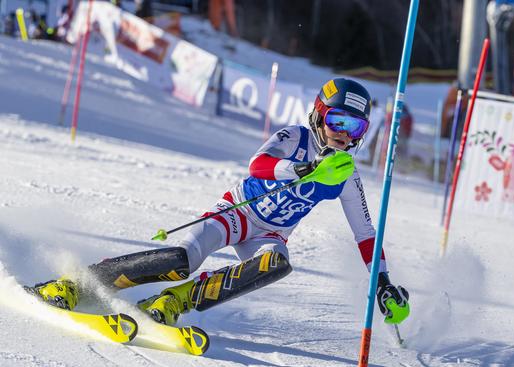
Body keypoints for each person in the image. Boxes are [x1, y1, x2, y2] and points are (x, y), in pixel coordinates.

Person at [26, 78, 410, 327]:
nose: (343, 135)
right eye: (337, 122)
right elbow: (257, 165)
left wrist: (383, 283)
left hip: (270, 234)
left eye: (354, 127)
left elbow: (365, 234)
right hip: (236, 214)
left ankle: (175, 302)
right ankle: (74, 284)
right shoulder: (295, 137)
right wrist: (302, 169)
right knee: (181, 261)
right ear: (318, 116)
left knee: (277, 264)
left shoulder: (347, 176)